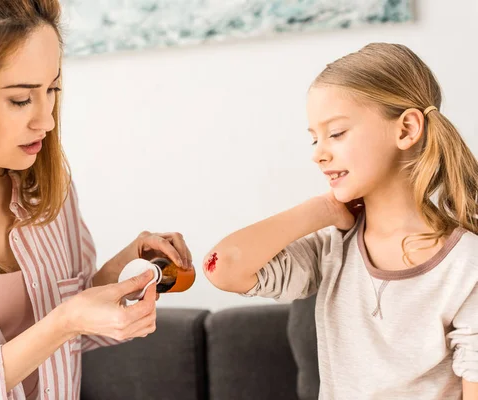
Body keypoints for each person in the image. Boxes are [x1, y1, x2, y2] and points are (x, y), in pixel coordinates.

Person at [0, 0, 193, 398]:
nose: (47, 120)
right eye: (21, 99)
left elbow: (71, 336)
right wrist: (62, 322)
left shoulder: (47, 192)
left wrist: (123, 272)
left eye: (53, 90)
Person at [203, 43, 478, 399]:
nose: (318, 153)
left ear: (407, 129)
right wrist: (321, 210)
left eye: (335, 133)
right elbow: (223, 267)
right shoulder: (333, 247)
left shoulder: (466, 265)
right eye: (314, 138)